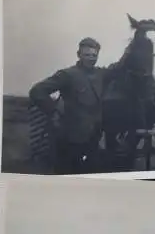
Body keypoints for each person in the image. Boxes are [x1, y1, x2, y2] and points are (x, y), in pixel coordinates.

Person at [28, 37, 121, 174]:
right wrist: (54, 111)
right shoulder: (68, 75)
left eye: (94, 55)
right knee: (66, 173)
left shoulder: (101, 74)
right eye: (87, 55)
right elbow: (37, 91)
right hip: (70, 138)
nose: (91, 58)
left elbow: (119, 68)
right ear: (79, 55)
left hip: (93, 137)